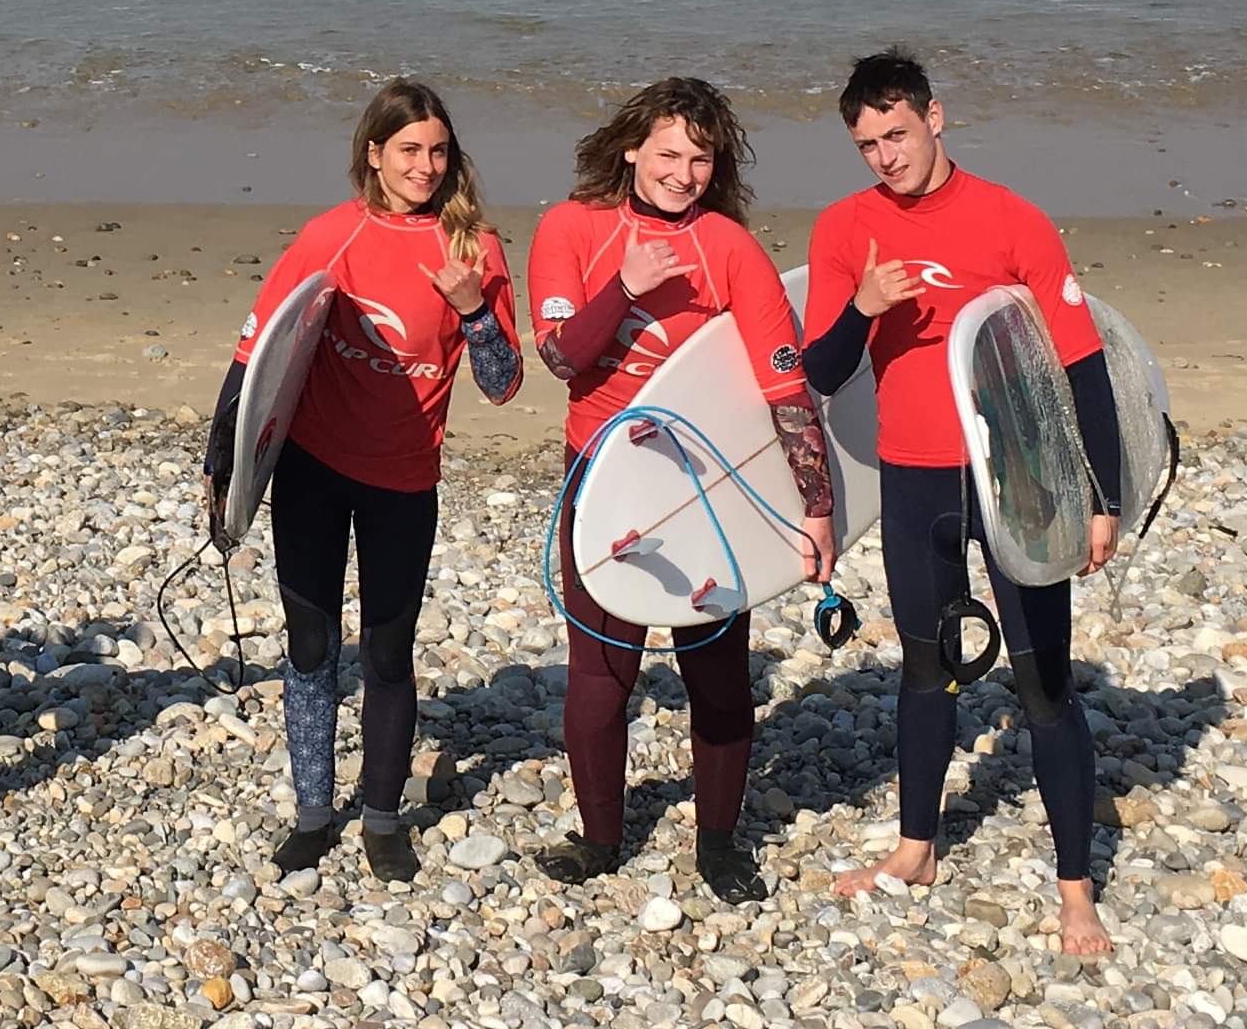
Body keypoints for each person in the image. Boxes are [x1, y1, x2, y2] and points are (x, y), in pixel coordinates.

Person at [795, 47, 1127, 959]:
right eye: (867, 144)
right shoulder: (844, 231)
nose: (885, 157)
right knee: (924, 665)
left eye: (896, 135)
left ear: (936, 119)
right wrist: (861, 305)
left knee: (1043, 679)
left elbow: (1082, 364)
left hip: (1014, 477)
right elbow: (822, 373)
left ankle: (1075, 892)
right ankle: (916, 851)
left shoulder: (1011, 220)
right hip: (916, 476)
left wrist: (1102, 498)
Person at [205, 79, 521, 881]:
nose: (425, 166)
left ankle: (382, 818)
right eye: (409, 150)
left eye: (438, 151)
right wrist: (223, 468)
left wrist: (475, 308)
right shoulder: (329, 237)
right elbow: (257, 352)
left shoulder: (473, 248)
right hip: (312, 469)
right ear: (374, 154)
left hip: (403, 480)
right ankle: (314, 811)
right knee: (309, 645)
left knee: (388, 651)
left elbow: (504, 382)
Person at [527, 77, 833, 903]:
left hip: (705, 486)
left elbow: (784, 391)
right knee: (601, 669)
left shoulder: (730, 249)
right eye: (669, 153)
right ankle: (598, 838)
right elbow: (560, 359)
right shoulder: (570, 228)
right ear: (631, 148)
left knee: (718, 668)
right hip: (601, 472)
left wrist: (817, 507)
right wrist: (624, 286)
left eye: (701, 157)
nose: (684, 171)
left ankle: (720, 844)